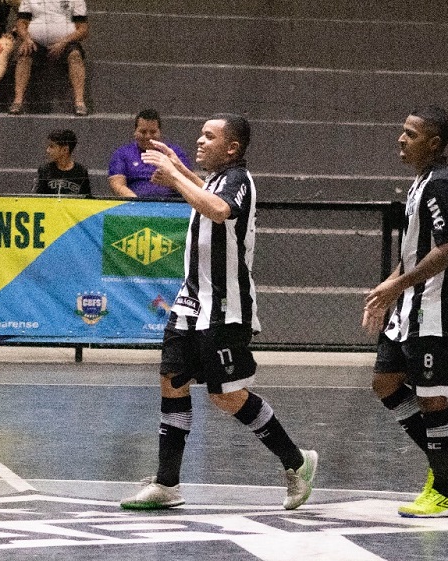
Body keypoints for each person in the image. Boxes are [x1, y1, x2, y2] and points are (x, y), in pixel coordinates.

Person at [120, 114, 318, 511]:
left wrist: (174, 177)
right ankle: (167, 483)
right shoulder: (214, 179)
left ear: (232, 148)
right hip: (190, 303)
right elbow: (204, 192)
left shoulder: (238, 180)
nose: (199, 140)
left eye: (209, 136)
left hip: (225, 308)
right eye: (200, 134)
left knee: (226, 396)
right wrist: (177, 168)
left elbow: (218, 210)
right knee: (172, 382)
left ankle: (296, 461)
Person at [363, 105, 448, 518]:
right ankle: (445, 460)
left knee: (432, 398)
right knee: (385, 382)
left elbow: (447, 249)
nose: (401, 139)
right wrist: (388, 288)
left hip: (436, 308)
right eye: (402, 131)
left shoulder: (442, 184)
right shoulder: (420, 182)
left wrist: (398, 285)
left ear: (434, 143)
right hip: (409, 307)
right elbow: (414, 251)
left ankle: (445, 492)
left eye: (411, 134)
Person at [10, 0, 88, 116]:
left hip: (66, 43)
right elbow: (21, 23)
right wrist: (26, 38)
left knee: (75, 55)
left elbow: (83, 29)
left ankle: (79, 102)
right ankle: (17, 101)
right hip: (35, 42)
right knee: (24, 53)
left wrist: (64, 42)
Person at [108, 109, 192, 198]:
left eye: (153, 132)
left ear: (159, 132)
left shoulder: (174, 153)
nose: (148, 136)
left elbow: (189, 184)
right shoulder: (122, 154)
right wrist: (138, 203)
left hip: (172, 203)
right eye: (143, 132)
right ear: (135, 132)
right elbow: (117, 185)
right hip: (134, 204)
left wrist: (172, 182)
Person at [34, 128, 90, 195]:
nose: (47, 150)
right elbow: (37, 197)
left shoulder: (81, 171)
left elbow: (86, 198)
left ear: (65, 150)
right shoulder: (44, 170)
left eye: (52, 146)